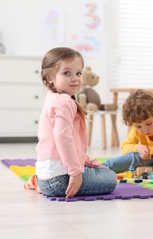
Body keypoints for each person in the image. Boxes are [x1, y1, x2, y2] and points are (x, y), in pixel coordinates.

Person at [34, 47, 117, 198]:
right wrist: (75, 173)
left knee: (102, 169)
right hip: (60, 180)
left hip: (44, 178)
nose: (75, 78)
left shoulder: (51, 97)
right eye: (67, 73)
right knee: (111, 178)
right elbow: (62, 137)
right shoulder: (65, 101)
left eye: (78, 73)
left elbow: (72, 143)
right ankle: (73, 173)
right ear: (49, 78)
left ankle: (37, 182)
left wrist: (90, 162)